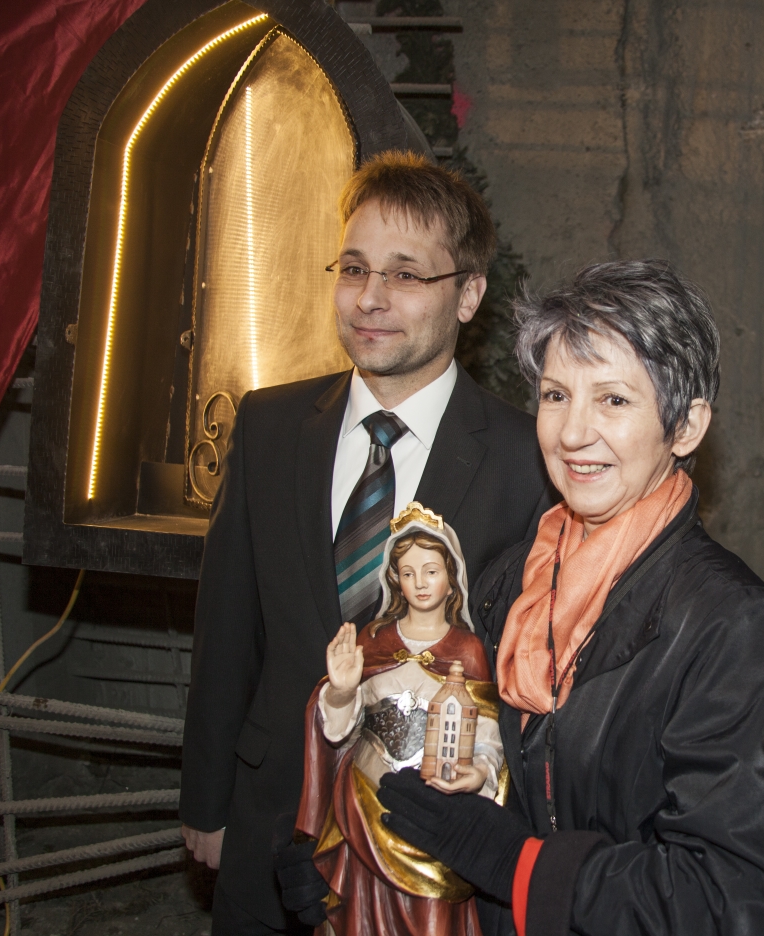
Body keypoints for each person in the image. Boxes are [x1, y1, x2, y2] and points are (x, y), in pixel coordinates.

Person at [377, 260, 764, 936]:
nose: (573, 433)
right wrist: (358, 866)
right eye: (556, 396)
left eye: (613, 399)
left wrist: (521, 867)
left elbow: (739, 895)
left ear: (687, 426)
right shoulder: (504, 584)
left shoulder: (729, 624)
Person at [180, 150, 553, 935]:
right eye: (354, 268)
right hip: (271, 816)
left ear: (469, 295)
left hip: (428, 853)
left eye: (407, 275)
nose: (371, 298)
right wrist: (207, 801)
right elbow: (226, 631)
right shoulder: (270, 427)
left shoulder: (528, 459)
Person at [295, 503, 502, 936]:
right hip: (365, 807)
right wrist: (342, 691)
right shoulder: (373, 641)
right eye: (408, 573)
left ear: (451, 579)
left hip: (433, 817)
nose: (420, 583)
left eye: (430, 571)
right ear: (395, 579)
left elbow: (486, 734)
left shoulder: (468, 651)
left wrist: (479, 771)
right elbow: (339, 731)